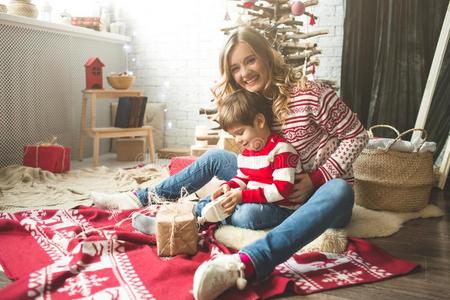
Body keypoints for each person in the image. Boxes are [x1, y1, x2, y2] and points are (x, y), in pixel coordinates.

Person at [91, 26, 368, 300]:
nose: (244, 73)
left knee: (337, 191)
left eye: (250, 60)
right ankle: (142, 199)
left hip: (319, 196)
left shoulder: (311, 94)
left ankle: (246, 263)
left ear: (267, 56)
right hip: (273, 187)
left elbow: (357, 135)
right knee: (215, 158)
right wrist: (235, 187)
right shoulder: (252, 103)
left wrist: (317, 178)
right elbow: (250, 158)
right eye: (235, 68)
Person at [195, 89, 300, 230]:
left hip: (280, 207)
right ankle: (211, 213)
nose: (237, 140)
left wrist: (242, 196)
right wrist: (229, 187)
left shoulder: (281, 150)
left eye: (240, 133)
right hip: (252, 200)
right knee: (207, 201)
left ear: (259, 121)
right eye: (234, 136)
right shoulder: (246, 154)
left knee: (246, 216)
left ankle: (219, 217)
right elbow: (243, 179)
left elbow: (282, 190)